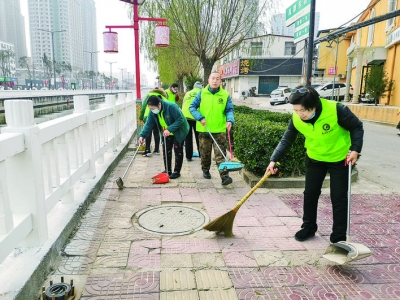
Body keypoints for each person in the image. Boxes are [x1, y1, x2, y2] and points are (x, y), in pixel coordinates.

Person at [265, 85, 364, 244]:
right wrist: (273, 159)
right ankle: (309, 227)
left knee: (338, 198)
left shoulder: (336, 110)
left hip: (339, 159)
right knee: (310, 194)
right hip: (314, 159)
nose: (299, 114)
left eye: (303, 110)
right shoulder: (296, 117)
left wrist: (355, 150)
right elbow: (287, 139)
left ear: (314, 105)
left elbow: (357, 127)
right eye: (296, 110)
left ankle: (338, 236)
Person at [189, 72, 235, 186]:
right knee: (205, 153)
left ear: (221, 81)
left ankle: (224, 176)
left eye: (217, 79)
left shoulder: (225, 95)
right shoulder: (202, 93)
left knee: (220, 154)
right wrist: (200, 117)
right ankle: (205, 169)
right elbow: (192, 107)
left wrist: (230, 120)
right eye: (213, 78)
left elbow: (229, 110)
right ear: (208, 80)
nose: (215, 81)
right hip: (205, 130)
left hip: (219, 130)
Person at [139, 95, 189, 179]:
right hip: (166, 132)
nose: (152, 110)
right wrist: (142, 135)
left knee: (178, 150)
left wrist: (169, 129)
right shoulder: (152, 112)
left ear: (159, 104)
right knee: (166, 150)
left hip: (178, 130)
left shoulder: (171, 106)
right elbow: (148, 124)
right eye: (150, 109)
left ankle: (177, 171)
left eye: (153, 108)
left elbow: (180, 119)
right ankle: (167, 170)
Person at [139, 88, 168, 157]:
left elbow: (143, 107)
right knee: (156, 132)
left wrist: (141, 117)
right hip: (158, 116)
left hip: (147, 115)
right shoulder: (162, 97)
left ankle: (147, 150)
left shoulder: (149, 95)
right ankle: (157, 149)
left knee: (148, 132)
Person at [182, 81, 202, 161]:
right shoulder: (202, 93)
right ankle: (201, 154)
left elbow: (183, 104)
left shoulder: (188, 93)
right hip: (197, 117)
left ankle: (188, 156)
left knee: (188, 138)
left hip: (186, 117)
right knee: (199, 137)